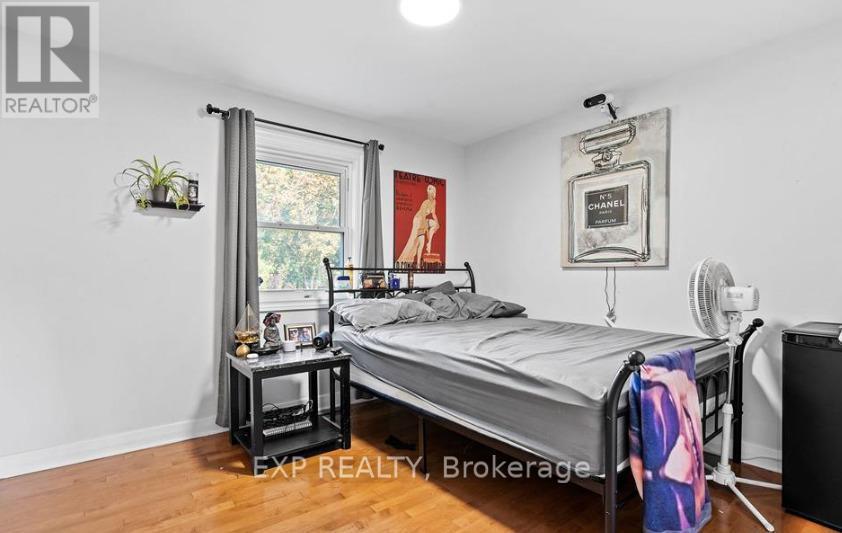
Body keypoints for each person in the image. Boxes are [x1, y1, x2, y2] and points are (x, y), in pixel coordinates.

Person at [396, 184, 440, 269]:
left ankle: (429, 244)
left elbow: (434, 214)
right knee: (418, 242)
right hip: (418, 221)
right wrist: (425, 230)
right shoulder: (425, 203)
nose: (434, 194)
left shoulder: (434, 202)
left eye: (434, 192)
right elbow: (423, 217)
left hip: (423, 220)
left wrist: (438, 223)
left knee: (434, 224)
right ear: (430, 193)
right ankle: (418, 263)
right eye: (432, 192)